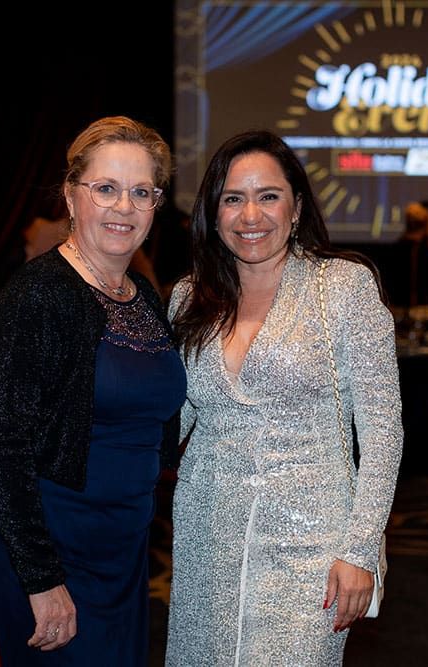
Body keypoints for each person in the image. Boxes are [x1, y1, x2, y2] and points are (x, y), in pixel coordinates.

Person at [165, 130, 403, 665]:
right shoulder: (188, 297)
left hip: (313, 549)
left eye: (268, 196)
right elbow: (170, 421)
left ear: (296, 208)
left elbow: (383, 432)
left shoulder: (343, 288)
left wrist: (361, 549)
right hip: (207, 537)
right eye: (233, 198)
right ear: (213, 213)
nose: (250, 215)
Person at [0, 116, 186, 665]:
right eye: (106, 189)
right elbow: (2, 442)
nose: (124, 207)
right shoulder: (37, 295)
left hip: (123, 545)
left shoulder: (142, 297)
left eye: (141, 192)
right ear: (71, 197)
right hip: (49, 546)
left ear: (156, 206)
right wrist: (41, 579)